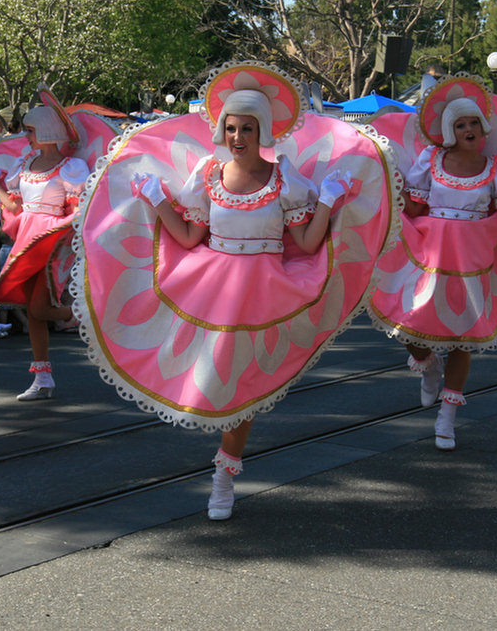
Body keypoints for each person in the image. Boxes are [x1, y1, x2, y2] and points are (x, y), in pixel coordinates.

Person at [74, 62, 395, 520]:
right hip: (210, 287)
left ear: (263, 130)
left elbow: (305, 243)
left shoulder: (286, 180)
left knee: (243, 385)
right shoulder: (208, 176)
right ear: (221, 131)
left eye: (247, 127)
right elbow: (186, 238)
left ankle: (224, 474)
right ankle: (224, 464)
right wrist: (157, 199)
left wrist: (326, 202)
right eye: (231, 127)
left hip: (265, 290)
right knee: (215, 380)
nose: (238, 136)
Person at [368, 75, 497, 452]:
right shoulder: (431, 160)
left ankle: (448, 415)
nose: (468, 128)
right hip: (428, 252)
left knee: (463, 338)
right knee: (407, 325)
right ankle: (427, 363)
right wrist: (390, 182)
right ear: (449, 131)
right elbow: (415, 206)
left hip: (473, 258)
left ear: (483, 129)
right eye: (460, 124)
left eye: (473, 123)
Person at [0, 101, 87, 400]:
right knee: (33, 312)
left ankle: (93, 316)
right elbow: (16, 207)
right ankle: (43, 377)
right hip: (27, 239)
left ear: (46, 130)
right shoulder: (25, 164)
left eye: (31, 130)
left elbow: (81, 207)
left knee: (39, 309)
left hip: (49, 241)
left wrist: (60, 233)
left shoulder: (71, 168)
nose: (26, 135)